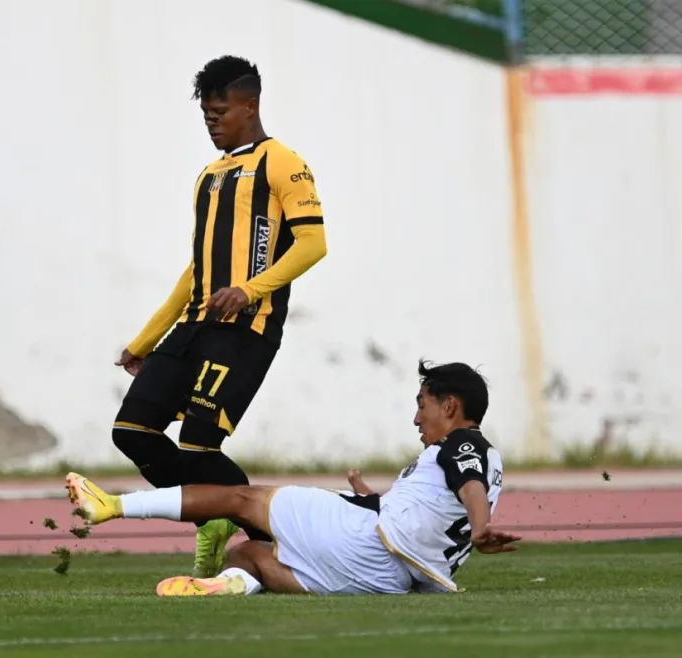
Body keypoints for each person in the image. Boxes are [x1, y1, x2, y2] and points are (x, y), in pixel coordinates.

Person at [111, 55, 328, 578]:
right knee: (132, 431)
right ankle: (213, 517)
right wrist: (146, 338)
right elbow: (197, 271)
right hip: (192, 329)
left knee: (201, 443)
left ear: (250, 106)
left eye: (220, 111)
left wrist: (250, 290)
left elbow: (313, 243)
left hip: (246, 331)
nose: (212, 121)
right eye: (206, 113)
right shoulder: (207, 177)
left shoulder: (282, 162)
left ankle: (276, 540)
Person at [71, 360, 520, 596]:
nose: (416, 416)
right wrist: (371, 496)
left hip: (367, 541)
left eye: (422, 403)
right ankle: (231, 586)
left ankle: (111, 506)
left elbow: (469, 488)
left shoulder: (463, 445)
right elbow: (446, 501)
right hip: (392, 580)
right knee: (251, 554)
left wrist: (480, 529)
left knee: (241, 499)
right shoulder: (486, 456)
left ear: (450, 406)